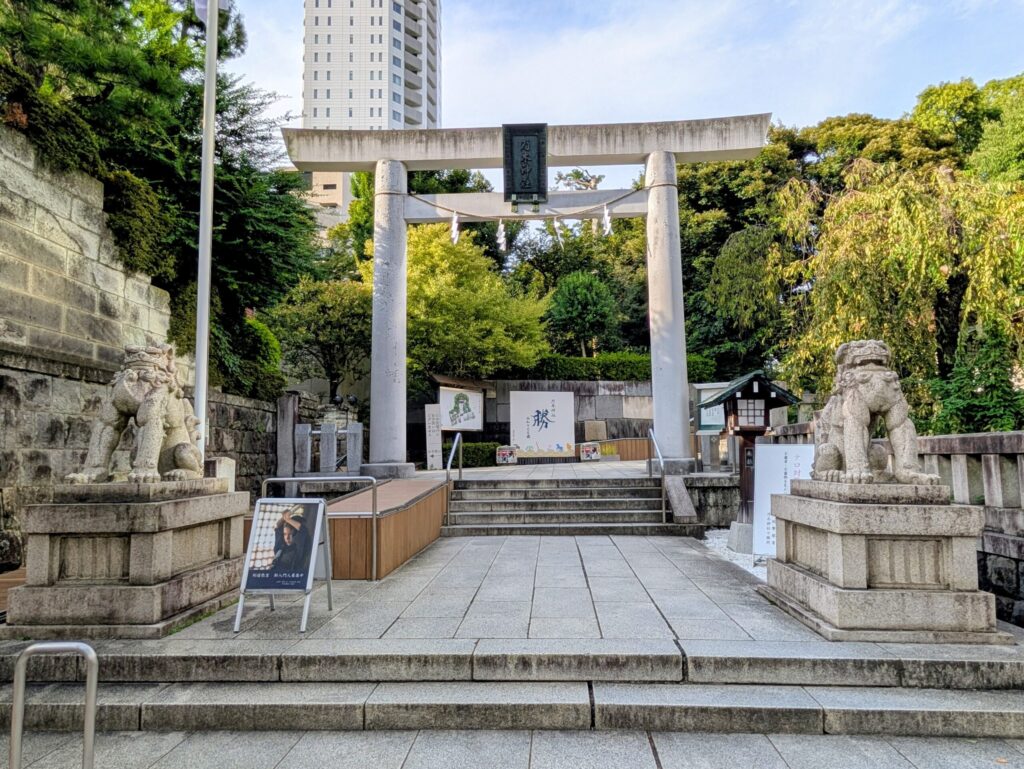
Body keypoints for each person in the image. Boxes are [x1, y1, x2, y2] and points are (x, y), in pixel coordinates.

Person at [270, 506, 312, 576]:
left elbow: (303, 530)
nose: (287, 537)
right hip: (275, 575)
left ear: (296, 534)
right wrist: (285, 518)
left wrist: (288, 519)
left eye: (290, 534)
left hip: (292, 576)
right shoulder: (280, 547)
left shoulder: (300, 548)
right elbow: (277, 527)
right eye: (285, 534)